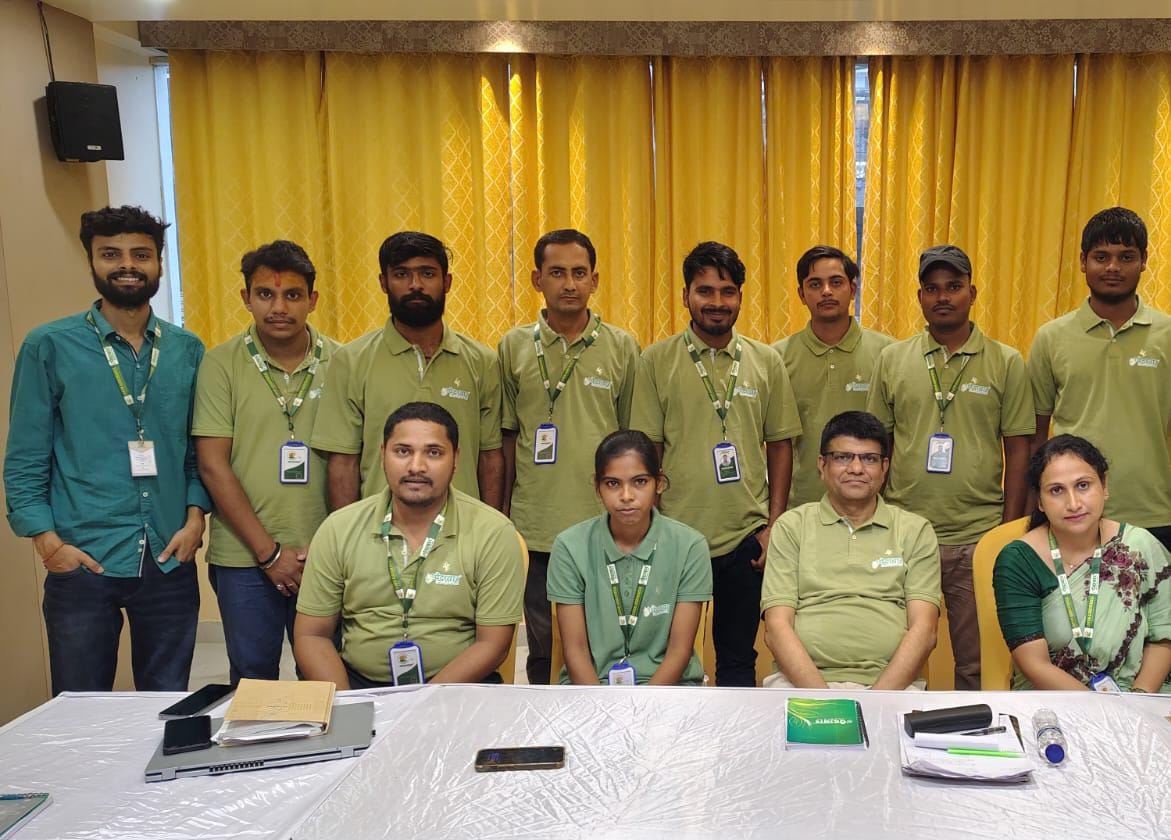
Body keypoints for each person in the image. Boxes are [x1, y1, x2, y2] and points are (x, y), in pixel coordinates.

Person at [4, 205, 209, 693]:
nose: (127, 265)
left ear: (159, 263)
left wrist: (196, 518)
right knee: (80, 708)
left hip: (168, 556)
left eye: (141, 254)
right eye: (111, 254)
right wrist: (47, 542)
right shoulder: (49, 346)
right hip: (83, 560)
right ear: (91, 262)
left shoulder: (187, 350)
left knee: (166, 707)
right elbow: (26, 457)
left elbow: (196, 452)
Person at [631, 241, 801, 686]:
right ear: (685, 296)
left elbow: (780, 444)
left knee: (738, 658)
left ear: (741, 297)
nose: (717, 302)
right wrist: (650, 525)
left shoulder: (766, 361)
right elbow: (648, 449)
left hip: (746, 537)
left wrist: (773, 525)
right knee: (666, 654)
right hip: (674, 535)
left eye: (727, 291)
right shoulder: (656, 360)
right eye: (705, 291)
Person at [867, 244, 1034, 690]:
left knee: (976, 663)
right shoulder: (893, 360)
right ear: (920, 297)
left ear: (972, 293)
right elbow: (877, 447)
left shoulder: (1006, 361)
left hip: (976, 536)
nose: (943, 296)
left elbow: (1019, 449)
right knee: (892, 655)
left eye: (954, 286)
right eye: (932, 288)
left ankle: (973, 732)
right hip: (904, 533)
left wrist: (1009, 528)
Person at [294, 402, 524, 688]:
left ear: (456, 459)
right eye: (403, 451)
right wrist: (347, 704)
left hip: (458, 689)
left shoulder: (493, 532)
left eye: (434, 452)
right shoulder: (338, 529)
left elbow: (493, 644)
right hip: (358, 686)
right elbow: (312, 635)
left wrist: (418, 705)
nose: (417, 467)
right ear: (383, 455)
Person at [193, 240, 339, 683]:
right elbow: (213, 465)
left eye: (292, 295)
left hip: (326, 555)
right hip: (243, 557)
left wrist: (333, 547)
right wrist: (269, 553)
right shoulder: (220, 364)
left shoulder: (343, 362)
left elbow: (357, 461)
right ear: (246, 298)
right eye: (265, 294)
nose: (279, 307)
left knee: (327, 678)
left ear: (313, 300)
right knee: (253, 678)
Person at [498, 229, 639, 684]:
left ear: (595, 280)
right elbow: (506, 437)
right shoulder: (513, 347)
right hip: (535, 523)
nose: (569, 284)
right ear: (537, 279)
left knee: (605, 638)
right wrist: (503, 513)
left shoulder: (622, 347)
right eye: (557, 273)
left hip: (605, 522)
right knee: (544, 645)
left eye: (580, 273)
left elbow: (633, 441)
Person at [310, 231, 503, 512]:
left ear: (447, 282)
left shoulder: (482, 361)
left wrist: (489, 528)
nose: (416, 285)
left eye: (427, 273)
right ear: (383, 283)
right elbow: (343, 463)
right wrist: (348, 534)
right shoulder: (351, 360)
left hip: (463, 531)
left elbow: (490, 458)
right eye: (401, 274)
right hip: (380, 530)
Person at [762, 411, 941, 689]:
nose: (856, 468)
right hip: (801, 685)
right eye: (843, 457)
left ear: (884, 467)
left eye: (869, 459)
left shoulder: (915, 531)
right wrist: (828, 704)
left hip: (893, 688)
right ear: (822, 465)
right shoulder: (791, 527)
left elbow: (925, 631)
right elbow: (776, 628)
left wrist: (876, 702)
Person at [1028, 207, 1171, 551]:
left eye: (1126, 257)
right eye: (1101, 257)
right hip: (1072, 513)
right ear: (1082, 261)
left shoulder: (1167, 335)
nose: (1112, 267)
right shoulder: (1051, 338)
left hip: (1154, 513)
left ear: (1144, 261)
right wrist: (1035, 510)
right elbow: (1036, 436)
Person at [993, 435, 1171, 693]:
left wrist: (1138, 700)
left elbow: (1164, 634)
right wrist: (1100, 711)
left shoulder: (1139, 545)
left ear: (1104, 485)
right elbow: (1034, 664)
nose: (1074, 503)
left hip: (1137, 699)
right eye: (1056, 490)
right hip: (1052, 702)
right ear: (1040, 501)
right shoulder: (1019, 560)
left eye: (1083, 485)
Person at [547, 430, 712, 686]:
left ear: (659, 483)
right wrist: (601, 707)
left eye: (640, 482)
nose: (626, 495)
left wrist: (641, 707)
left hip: (669, 690)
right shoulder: (569, 546)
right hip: (591, 688)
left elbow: (679, 651)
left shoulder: (690, 546)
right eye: (613, 483)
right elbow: (575, 649)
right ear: (598, 488)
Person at [774, 245, 893, 510]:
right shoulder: (776, 359)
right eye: (815, 284)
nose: (826, 291)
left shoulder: (888, 354)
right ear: (801, 294)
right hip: (801, 507)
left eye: (836, 282)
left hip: (873, 507)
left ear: (853, 289)